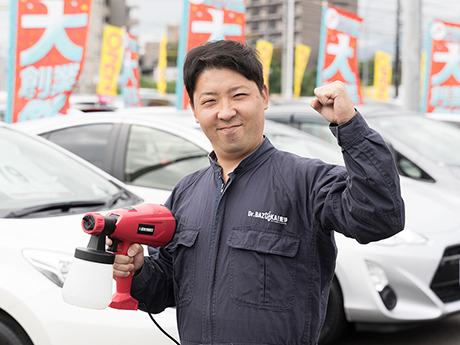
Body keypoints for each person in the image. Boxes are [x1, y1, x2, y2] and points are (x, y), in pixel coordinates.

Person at [112, 40, 405, 345]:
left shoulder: (307, 181)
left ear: (263, 96)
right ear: (195, 111)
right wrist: (140, 270)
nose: (226, 112)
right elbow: (166, 289)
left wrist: (350, 126)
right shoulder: (187, 192)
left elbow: (380, 218)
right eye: (210, 101)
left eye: (239, 95)